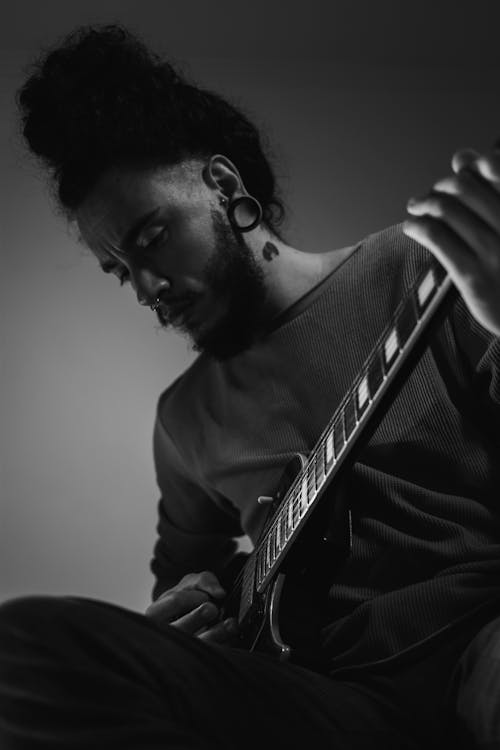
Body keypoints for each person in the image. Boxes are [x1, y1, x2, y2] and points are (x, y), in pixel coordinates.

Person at [1, 23, 500, 750]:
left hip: (477, 646)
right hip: (321, 704)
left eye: (150, 238)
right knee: (21, 646)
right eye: (120, 271)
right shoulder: (182, 420)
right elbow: (185, 577)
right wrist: (175, 619)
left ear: (224, 186)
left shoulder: (424, 266)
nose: (146, 288)